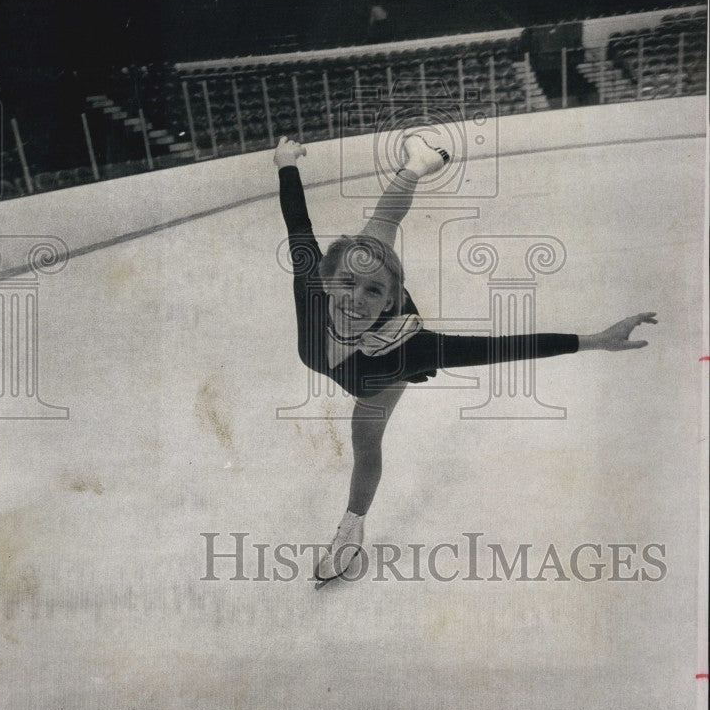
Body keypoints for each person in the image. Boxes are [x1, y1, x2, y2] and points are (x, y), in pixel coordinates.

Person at [274, 132, 657, 584]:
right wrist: (285, 163)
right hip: (365, 293)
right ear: (326, 280)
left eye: (373, 291)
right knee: (380, 225)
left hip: (388, 354)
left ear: (391, 300)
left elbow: (501, 348)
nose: (354, 300)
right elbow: (297, 222)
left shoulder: (411, 350)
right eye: (346, 284)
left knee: (365, 442)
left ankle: (351, 529)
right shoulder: (315, 286)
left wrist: (594, 340)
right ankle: (415, 165)